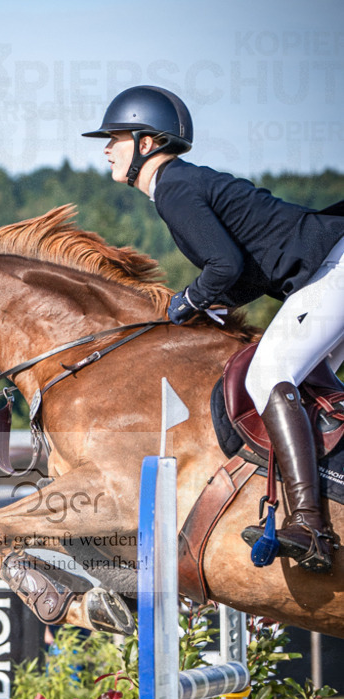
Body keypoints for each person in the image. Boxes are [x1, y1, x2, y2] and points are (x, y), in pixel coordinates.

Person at [83, 85, 344, 573]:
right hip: (328, 266)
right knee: (307, 388)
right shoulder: (183, 184)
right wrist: (212, 303)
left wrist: (189, 300)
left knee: (267, 377)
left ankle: (309, 525)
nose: (105, 148)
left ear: (146, 144)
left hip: (334, 266)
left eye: (114, 137)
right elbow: (246, 271)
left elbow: (222, 267)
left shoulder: (175, 189)